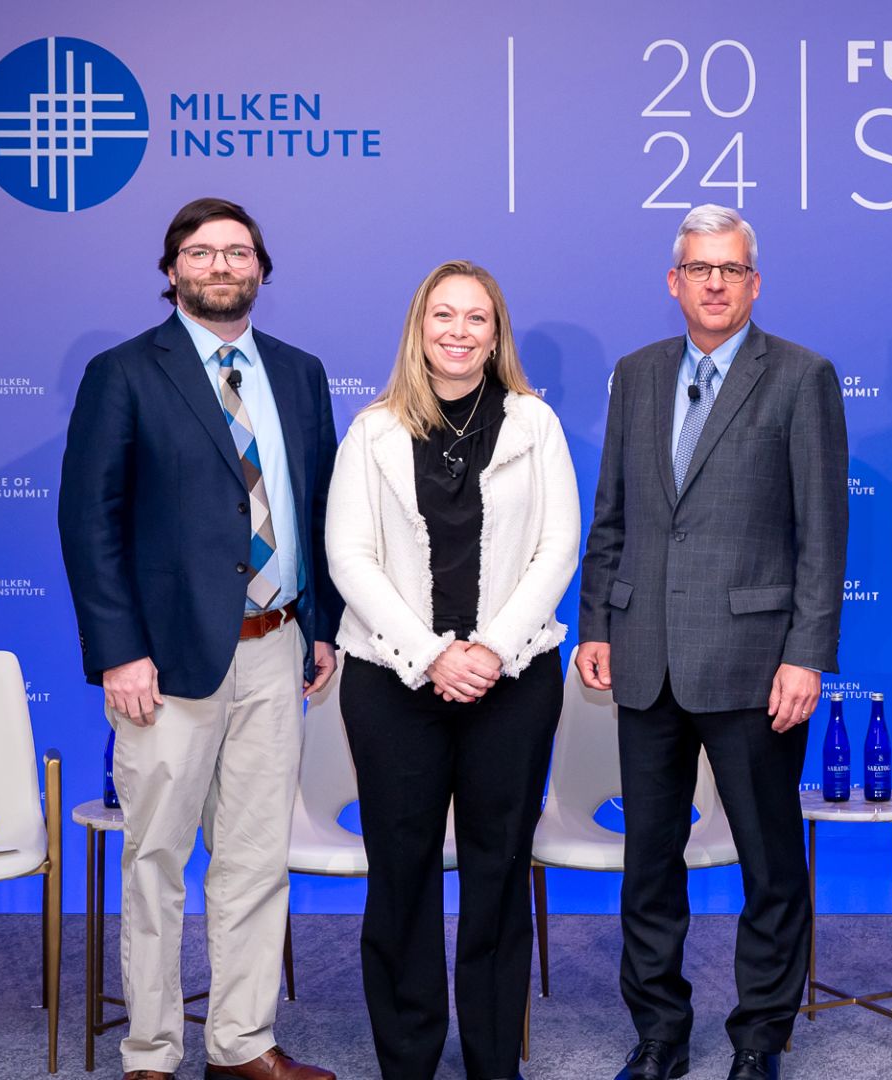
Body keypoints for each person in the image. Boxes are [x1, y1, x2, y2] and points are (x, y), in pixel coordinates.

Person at [57, 196, 340, 1080]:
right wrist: (117, 651)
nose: (222, 266)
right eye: (202, 252)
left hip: (277, 646)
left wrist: (321, 627)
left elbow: (319, 508)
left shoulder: (298, 372)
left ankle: (242, 1044)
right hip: (164, 660)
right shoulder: (125, 372)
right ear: (171, 269)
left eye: (238, 252)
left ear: (262, 268)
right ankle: (150, 1052)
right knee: (154, 862)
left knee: (256, 860)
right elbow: (88, 519)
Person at [577, 204, 848, 1080]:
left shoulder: (802, 377)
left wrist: (807, 654)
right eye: (700, 268)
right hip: (646, 659)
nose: (716, 283)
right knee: (649, 864)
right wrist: (596, 624)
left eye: (731, 269)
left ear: (754, 282)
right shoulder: (638, 374)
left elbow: (823, 532)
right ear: (675, 281)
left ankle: (761, 1036)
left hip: (757, 665)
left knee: (771, 866)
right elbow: (611, 514)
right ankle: (659, 1032)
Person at [326, 260, 578, 1079]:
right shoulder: (371, 431)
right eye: (444, 316)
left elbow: (556, 549)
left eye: (477, 318)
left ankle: (493, 1061)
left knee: (498, 870)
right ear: (419, 328)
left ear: (496, 332)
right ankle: (407, 1058)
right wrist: (432, 654)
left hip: (513, 682)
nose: (459, 332)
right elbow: (349, 558)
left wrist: (490, 651)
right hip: (391, 684)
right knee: (399, 872)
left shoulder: (536, 424)